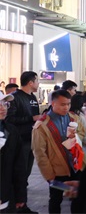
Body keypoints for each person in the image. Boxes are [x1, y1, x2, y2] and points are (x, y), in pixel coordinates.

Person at [32, 90, 86, 213]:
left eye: (68, 104)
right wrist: (49, 176)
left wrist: (76, 138)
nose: (66, 107)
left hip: (76, 166)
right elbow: (40, 153)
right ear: (53, 103)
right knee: (56, 200)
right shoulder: (42, 125)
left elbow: (84, 136)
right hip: (57, 171)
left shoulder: (74, 118)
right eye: (63, 104)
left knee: (78, 199)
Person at [5, 71, 40, 214]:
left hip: (31, 139)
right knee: (19, 174)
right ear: (30, 82)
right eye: (37, 81)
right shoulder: (16, 98)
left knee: (25, 174)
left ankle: (22, 204)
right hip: (20, 141)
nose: (38, 83)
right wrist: (31, 119)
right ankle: (17, 206)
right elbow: (10, 120)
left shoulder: (33, 97)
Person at [0, 92, 29, 213]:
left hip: (7, 196)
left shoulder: (11, 130)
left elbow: (19, 166)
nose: (3, 108)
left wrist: (20, 195)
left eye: (4, 104)